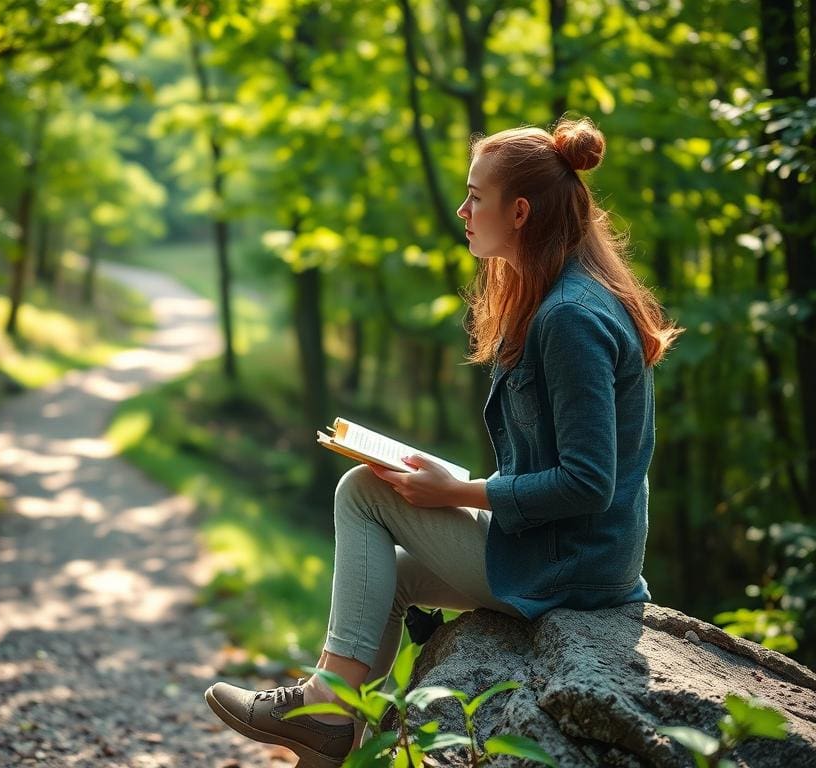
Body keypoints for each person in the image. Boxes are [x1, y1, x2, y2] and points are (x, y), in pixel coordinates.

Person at [203, 116, 683, 767]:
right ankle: (325, 732)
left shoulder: (570, 317)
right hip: (571, 553)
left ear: (518, 211)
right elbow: (560, 466)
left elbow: (588, 481)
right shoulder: (561, 295)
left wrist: (459, 490)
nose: (462, 209)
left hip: (571, 566)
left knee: (362, 490)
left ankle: (323, 703)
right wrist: (449, 478)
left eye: (474, 196)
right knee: (390, 581)